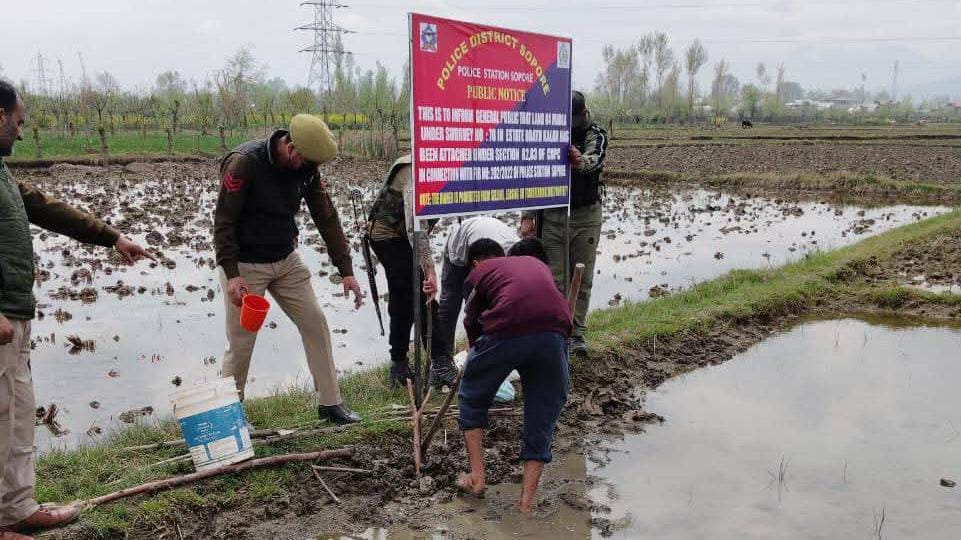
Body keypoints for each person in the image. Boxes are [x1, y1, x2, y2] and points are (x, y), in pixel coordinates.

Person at [0, 80, 152, 539]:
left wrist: (112, 237)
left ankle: (16, 509)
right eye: (18, 122)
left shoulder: (1, 174)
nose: (21, 133)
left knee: (17, 414)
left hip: (16, 313)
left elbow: (46, 208)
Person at [214, 114, 362, 425]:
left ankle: (330, 403)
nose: (309, 169)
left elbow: (326, 216)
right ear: (290, 147)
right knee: (241, 342)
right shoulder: (244, 163)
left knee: (315, 323)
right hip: (245, 266)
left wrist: (346, 269)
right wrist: (232, 274)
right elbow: (224, 222)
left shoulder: (307, 169)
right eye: (306, 162)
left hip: (286, 260)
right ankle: (228, 417)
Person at [455, 238, 571, 514]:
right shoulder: (536, 264)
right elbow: (554, 308)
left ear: (475, 264)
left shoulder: (478, 274)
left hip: (508, 326)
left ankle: (477, 478)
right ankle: (526, 504)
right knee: (543, 411)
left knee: (471, 395)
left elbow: (472, 321)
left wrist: (478, 361)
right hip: (554, 332)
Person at [520, 91, 608, 356]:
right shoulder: (547, 134)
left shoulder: (596, 134)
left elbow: (594, 159)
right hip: (553, 215)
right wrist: (528, 214)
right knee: (554, 279)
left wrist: (579, 161)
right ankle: (557, 332)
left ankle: (577, 333)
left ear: (583, 114)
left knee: (582, 277)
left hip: (585, 216)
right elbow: (534, 174)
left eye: (572, 119)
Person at [366, 155, 443, 388]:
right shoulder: (413, 169)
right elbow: (414, 225)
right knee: (416, 293)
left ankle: (421, 363)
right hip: (386, 236)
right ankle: (434, 363)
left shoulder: (444, 168)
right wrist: (429, 267)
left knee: (411, 297)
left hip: (405, 237)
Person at [429, 216, 517, 389]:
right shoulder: (463, 254)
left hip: (490, 238)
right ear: (475, 265)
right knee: (449, 304)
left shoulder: (515, 256)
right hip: (459, 247)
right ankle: (441, 364)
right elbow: (472, 312)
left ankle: (494, 355)